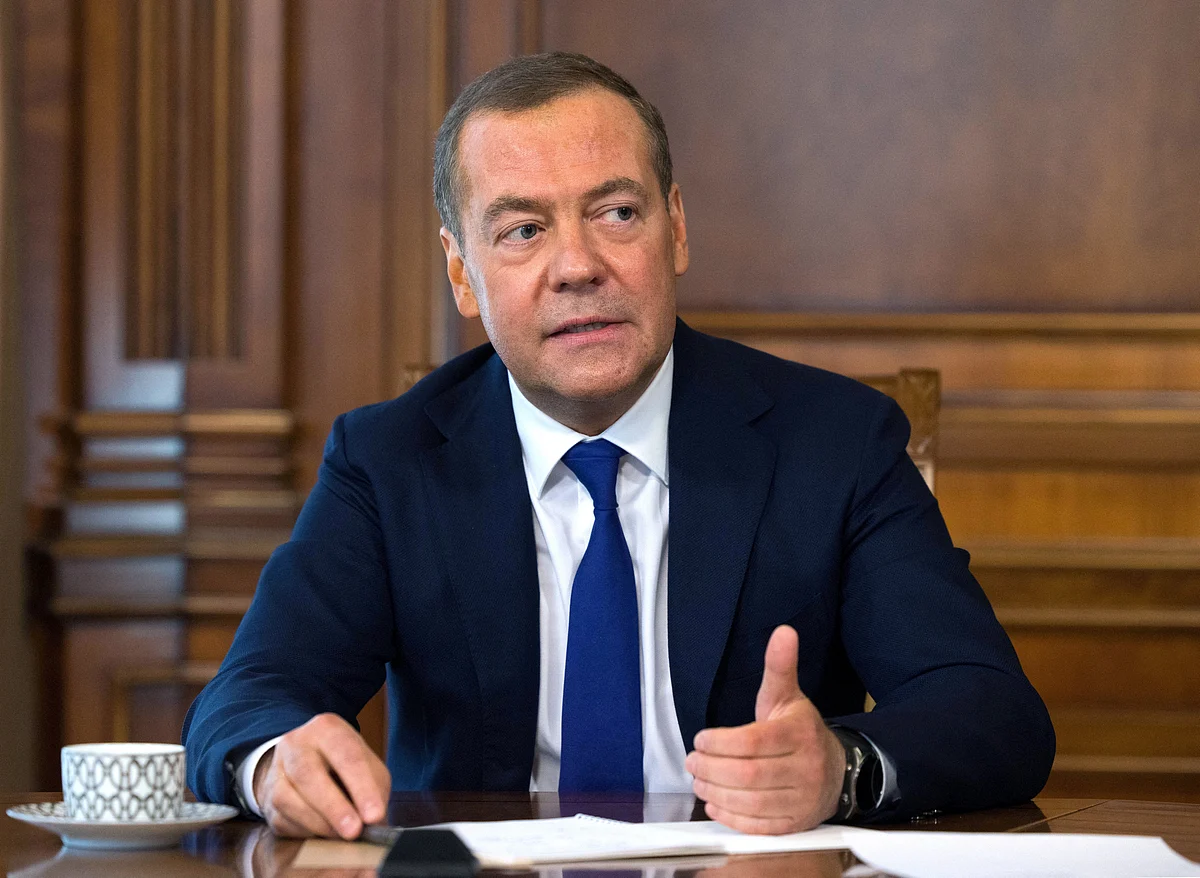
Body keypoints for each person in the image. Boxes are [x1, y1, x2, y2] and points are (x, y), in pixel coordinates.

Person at [183, 51, 1055, 840]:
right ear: (461, 272)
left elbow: (990, 710)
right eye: (523, 230)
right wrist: (277, 761)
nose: (577, 265)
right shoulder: (388, 460)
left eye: (617, 212)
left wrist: (841, 767)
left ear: (675, 228)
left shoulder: (834, 442)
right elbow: (249, 699)